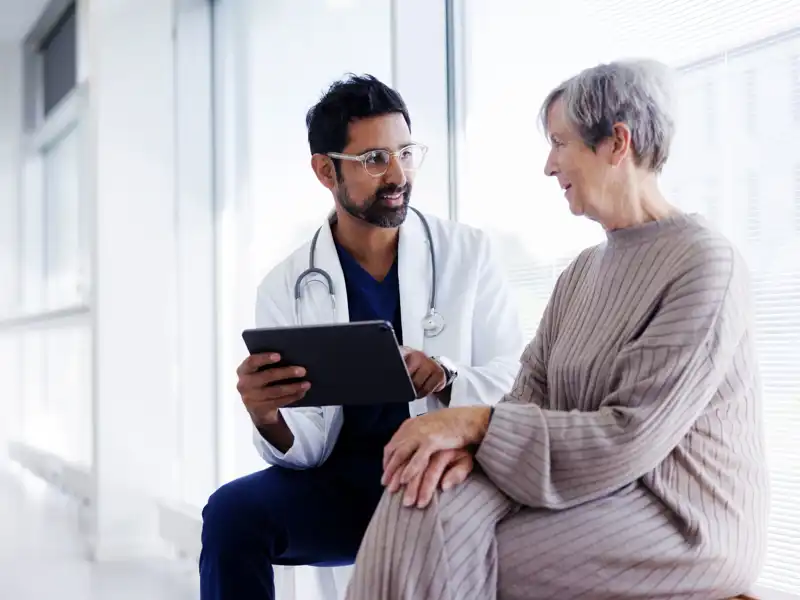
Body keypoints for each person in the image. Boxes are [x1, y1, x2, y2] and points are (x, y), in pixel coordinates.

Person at [343, 60, 770, 600]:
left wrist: (475, 426)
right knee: (417, 498)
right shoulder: (582, 273)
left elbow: (628, 436)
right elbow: (529, 395)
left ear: (617, 143)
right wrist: (466, 444)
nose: (549, 165)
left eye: (559, 142)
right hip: (584, 488)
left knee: (465, 555)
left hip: (680, 516)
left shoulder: (704, 265)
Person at [198, 74, 525, 600]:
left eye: (405, 152)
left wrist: (447, 376)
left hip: (442, 474)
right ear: (326, 170)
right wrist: (266, 416)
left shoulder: (469, 255)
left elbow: (517, 380)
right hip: (342, 487)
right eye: (374, 159)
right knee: (232, 515)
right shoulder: (286, 286)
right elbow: (303, 449)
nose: (397, 173)